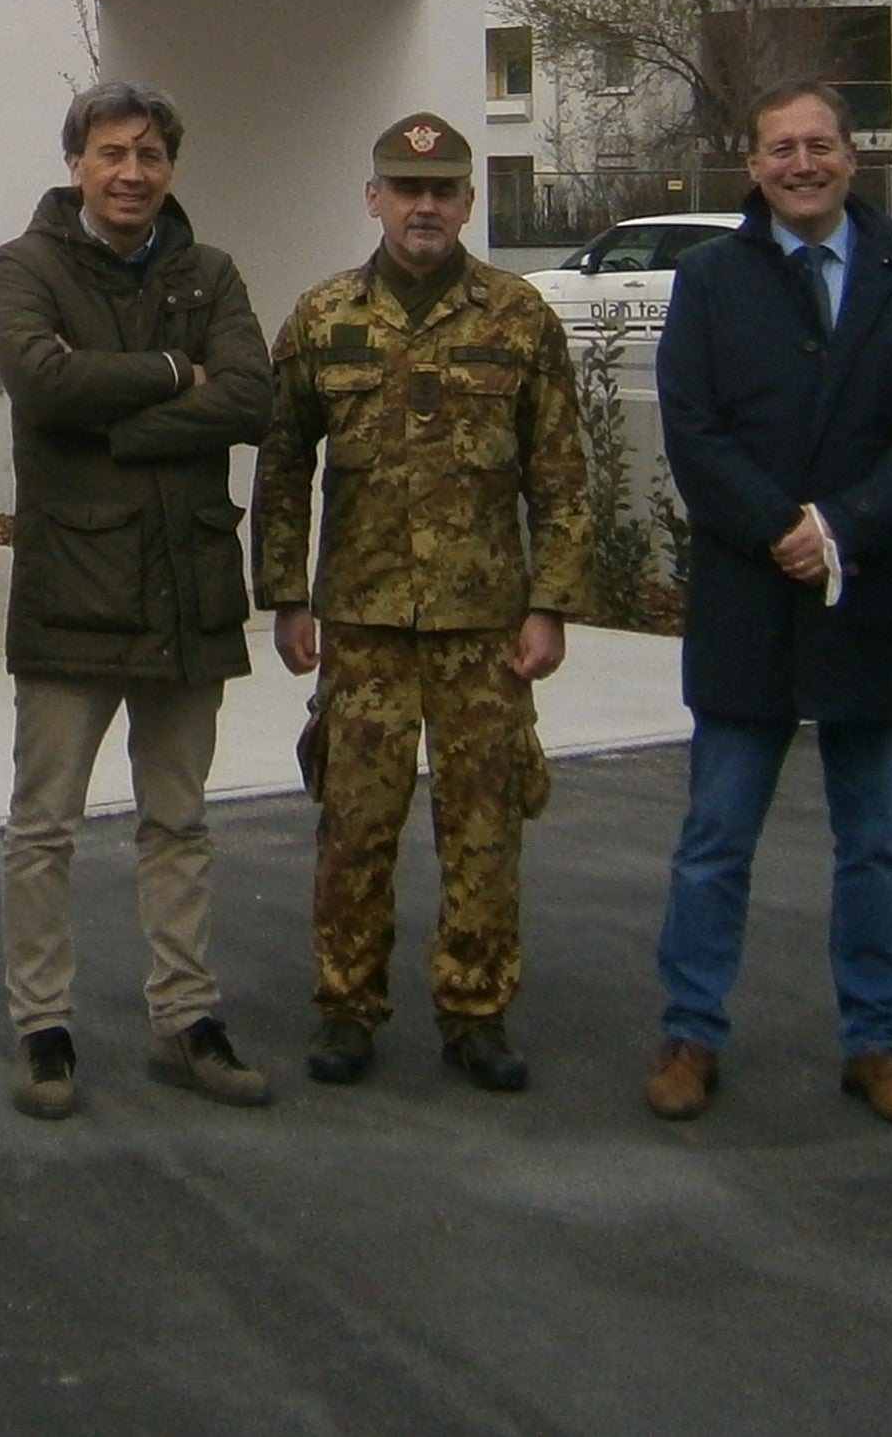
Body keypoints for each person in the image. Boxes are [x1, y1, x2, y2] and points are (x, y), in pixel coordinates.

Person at [644, 79, 892, 1134]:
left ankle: (874, 1042)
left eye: (819, 145)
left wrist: (840, 525)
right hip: (750, 596)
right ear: (752, 165)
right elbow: (692, 426)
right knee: (714, 838)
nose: (801, 164)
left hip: (871, 600)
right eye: (780, 148)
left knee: (874, 845)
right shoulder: (709, 278)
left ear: (851, 157)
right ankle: (691, 1033)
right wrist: (778, 525)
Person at [252, 112, 584, 1096]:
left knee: (484, 825)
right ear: (375, 198)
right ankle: (346, 1005)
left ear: (469, 201)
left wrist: (552, 603)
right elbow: (282, 465)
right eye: (405, 188)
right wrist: (285, 595)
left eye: (441, 190)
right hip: (362, 622)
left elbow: (560, 470)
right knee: (354, 825)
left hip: (484, 627)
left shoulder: (519, 317)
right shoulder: (322, 317)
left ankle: (475, 1011)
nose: (423, 205)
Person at [0, 83, 276, 1121]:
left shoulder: (212, 272)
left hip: (187, 591)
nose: (131, 172)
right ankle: (42, 1027)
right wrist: (172, 371)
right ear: (76, 163)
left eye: (150, 154)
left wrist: (118, 419)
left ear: (170, 167)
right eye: (111, 152)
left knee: (179, 821)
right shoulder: (26, 266)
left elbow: (252, 396)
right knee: (44, 827)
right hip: (73, 590)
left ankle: (186, 1019)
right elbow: (41, 385)